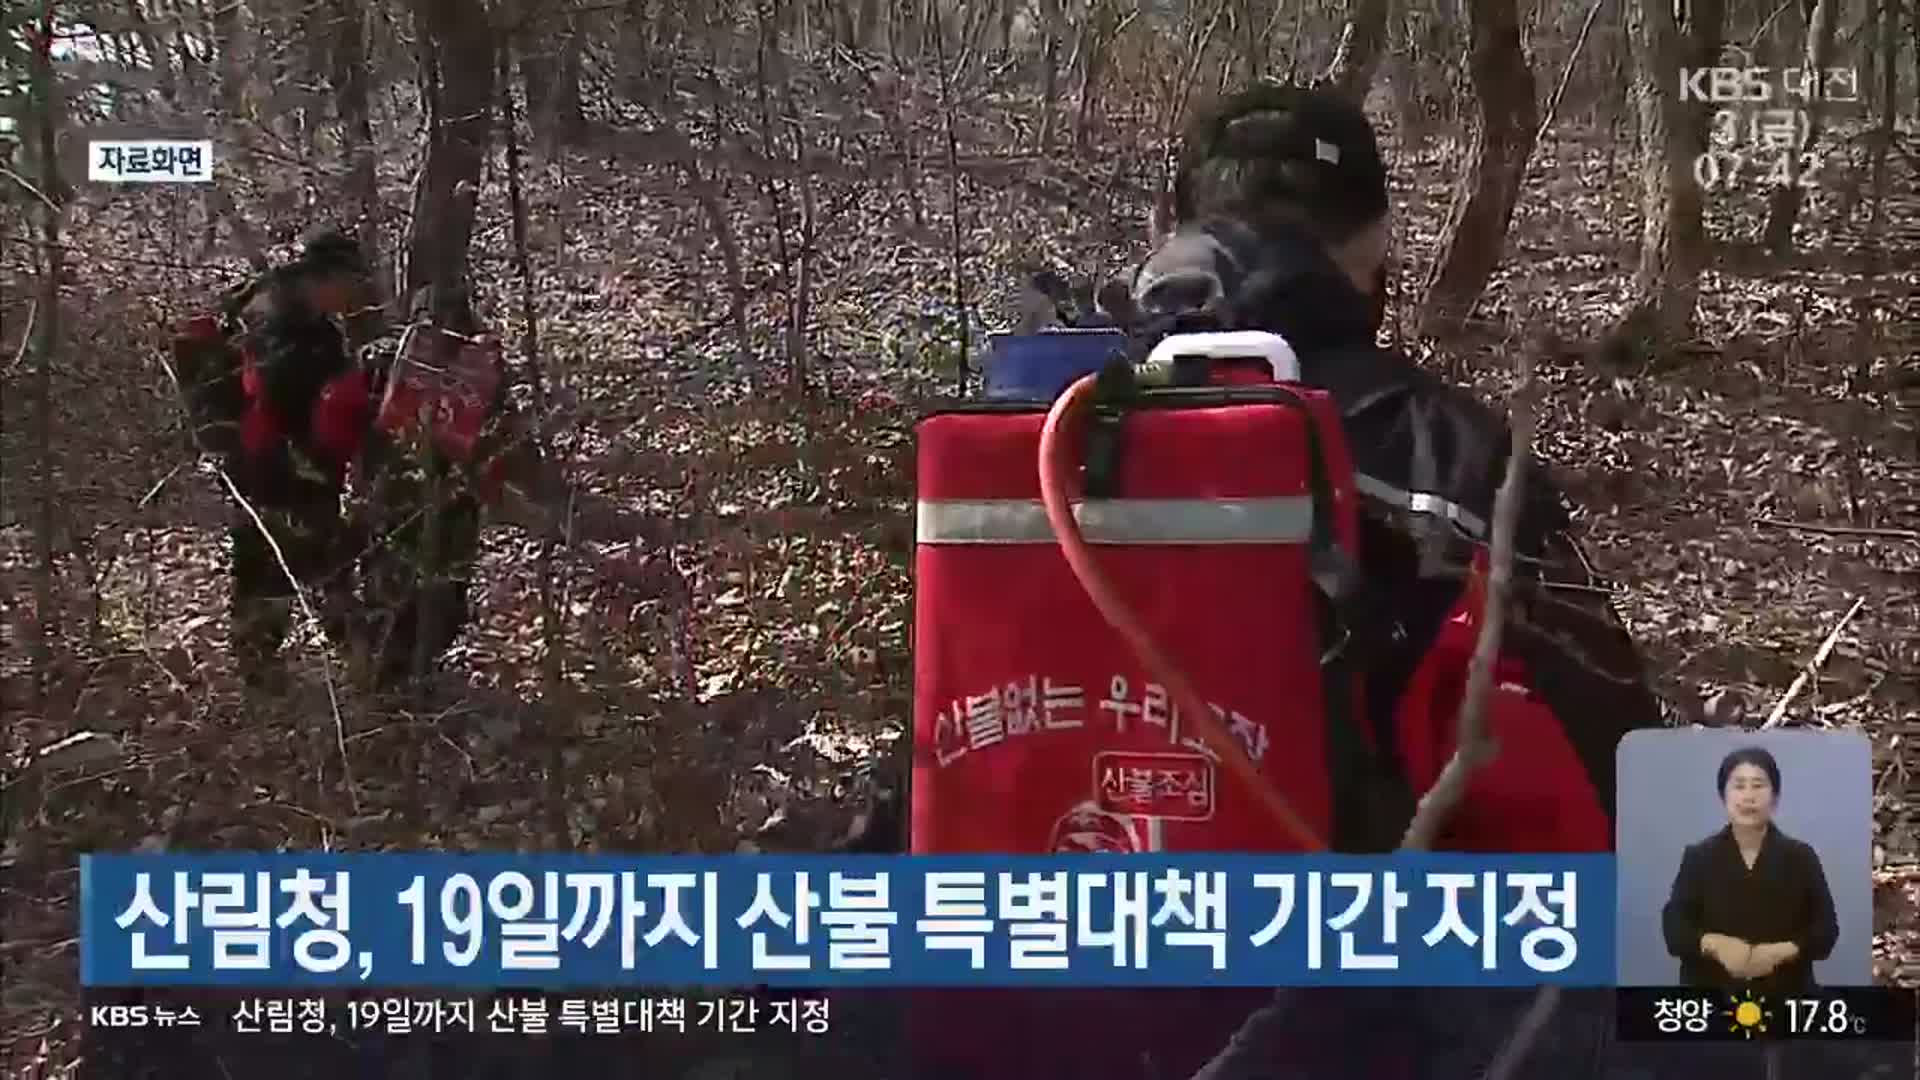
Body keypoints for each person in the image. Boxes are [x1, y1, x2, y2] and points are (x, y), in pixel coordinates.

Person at [1120, 81, 1666, 852]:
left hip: (1026, 942)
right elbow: (1625, 787)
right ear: (1377, 242)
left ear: (1164, 228)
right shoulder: (1451, 458)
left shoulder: (1043, 429)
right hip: (1346, 950)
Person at [191, 230, 377, 699]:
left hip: (270, 468)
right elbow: (282, 394)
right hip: (280, 472)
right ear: (326, 276)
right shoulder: (285, 324)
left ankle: (272, 678)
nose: (354, 293)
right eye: (351, 281)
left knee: (276, 571)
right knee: (301, 573)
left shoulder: (280, 309)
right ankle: (349, 679)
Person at [1661, 746, 1840, 993]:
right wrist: (1714, 944)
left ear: (1775, 796)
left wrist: (1783, 951)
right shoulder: (1699, 857)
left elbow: (1826, 930)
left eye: (1758, 785)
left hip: (1786, 998)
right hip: (1711, 999)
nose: (1748, 796)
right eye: (1739, 785)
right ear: (1723, 796)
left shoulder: (1801, 857)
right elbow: (1674, 929)